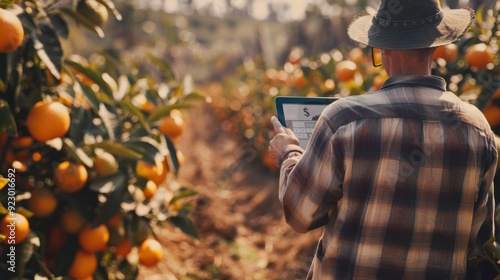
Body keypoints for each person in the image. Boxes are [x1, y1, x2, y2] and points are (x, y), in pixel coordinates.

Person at [268, 0, 497, 279]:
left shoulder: (344, 119)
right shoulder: (478, 129)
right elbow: (480, 242)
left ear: (382, 48)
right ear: (437, 46)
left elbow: (301, 214)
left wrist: (289, 152)